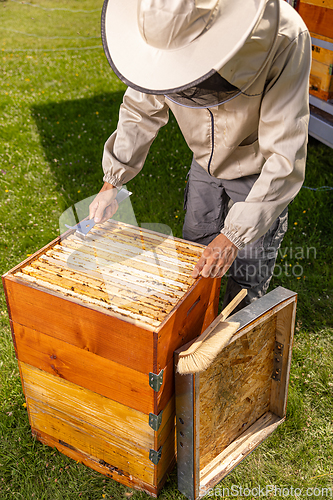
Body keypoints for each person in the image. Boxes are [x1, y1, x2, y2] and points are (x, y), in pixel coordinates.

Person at [89, 0, 311, 310]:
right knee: (195, 252)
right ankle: (193, 327)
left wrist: (233, 236)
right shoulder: (156, 31)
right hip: (203, 164)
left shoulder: (283, 36)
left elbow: (284, 155)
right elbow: (140, 111)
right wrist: (112, 182)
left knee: (247, 271)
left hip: (259, 170)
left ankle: (237, 339)